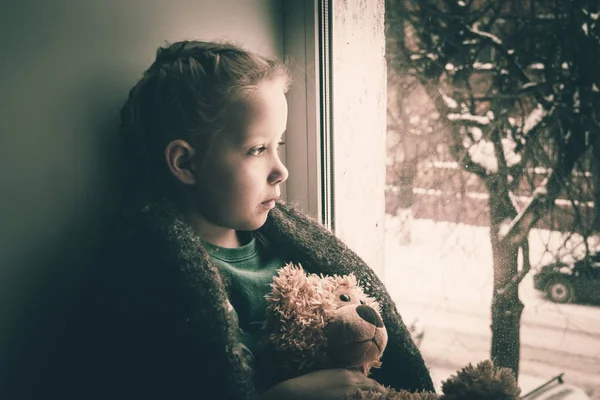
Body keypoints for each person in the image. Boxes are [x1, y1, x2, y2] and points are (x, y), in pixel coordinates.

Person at [58, 40, 434, 400]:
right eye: (257, 149)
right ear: (186, 163)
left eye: (278, 146)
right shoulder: (147, 281)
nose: (281, 170)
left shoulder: (292, 248)